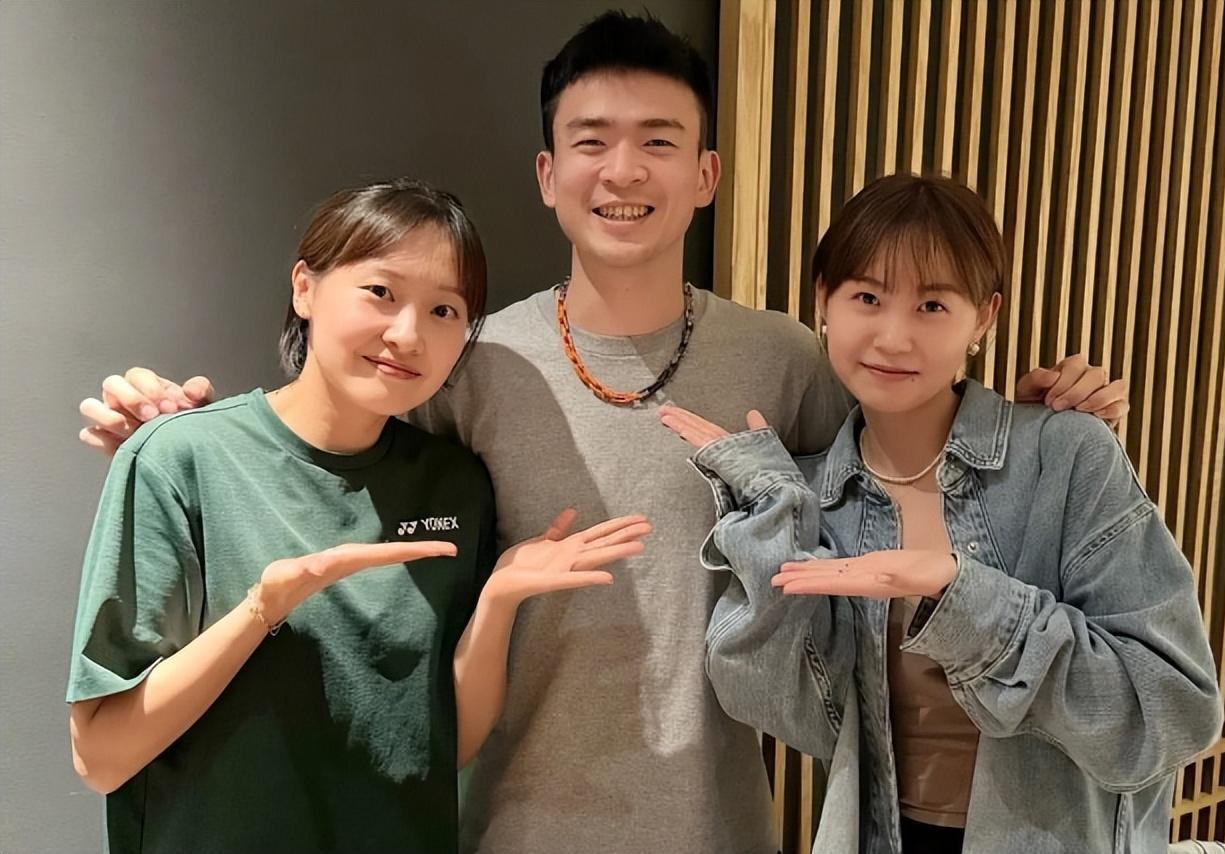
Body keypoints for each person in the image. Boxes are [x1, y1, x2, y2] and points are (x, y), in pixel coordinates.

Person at [74, 14, 1127, 853]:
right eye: (591, 142)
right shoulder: (468, 356)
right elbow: (327, 455)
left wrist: (1037, 420)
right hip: (503, 826)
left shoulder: (784, 362)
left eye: (657, 141)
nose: (622, 171)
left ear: (704, 176)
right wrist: (174, 432)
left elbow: (908, 466)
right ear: (548, 175)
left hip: (720, 826)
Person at [66, 179, 649, 854]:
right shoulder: (179, 458)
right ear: (305, 289)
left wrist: (497, 602)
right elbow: (100, 755)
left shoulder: (452, 485)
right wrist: (263, 608)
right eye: (380, 292)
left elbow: (443, 747)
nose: (407, 334)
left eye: (444, 310)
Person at [659, 174, 1222, 853]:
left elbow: (1173, 713)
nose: (894, 337)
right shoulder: (819, 498)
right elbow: (797, 717)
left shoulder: (1065, 456)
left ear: (982, 317)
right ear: (824, 300)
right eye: (868, 297)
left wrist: (967, 602)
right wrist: (773, 520)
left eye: (932, 305)